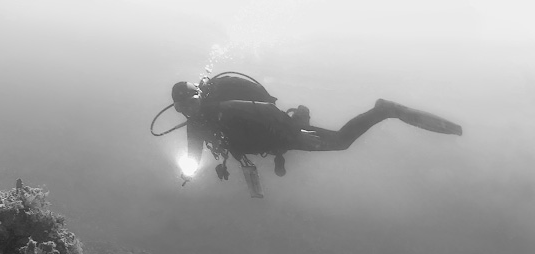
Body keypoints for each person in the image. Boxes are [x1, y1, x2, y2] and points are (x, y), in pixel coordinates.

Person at [165, 72, 462, 194]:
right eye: (181, 109)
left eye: (191, 103)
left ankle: (384, 109)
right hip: (275, 142)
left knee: (342, 142)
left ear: (199, 95)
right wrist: (189, 171)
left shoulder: (225, 105)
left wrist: (296, 135)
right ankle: (382, 110)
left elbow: (268, 113)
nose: (188, 112)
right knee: (340, 142)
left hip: (284, 133)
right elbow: (194, 150)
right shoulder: (197, 123)